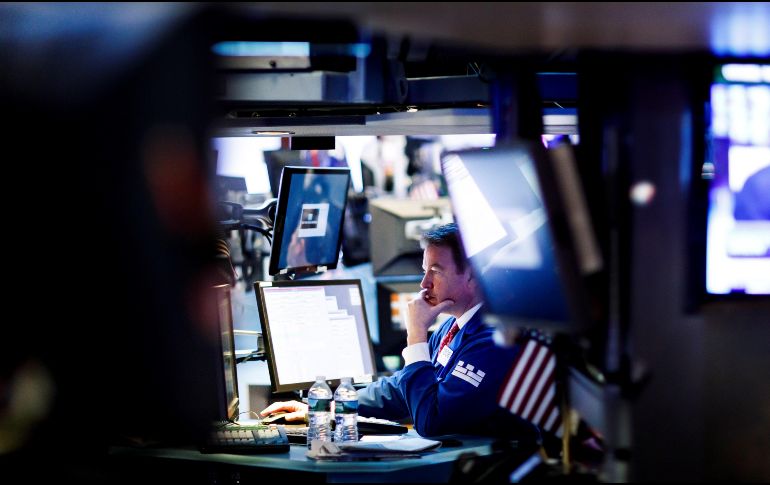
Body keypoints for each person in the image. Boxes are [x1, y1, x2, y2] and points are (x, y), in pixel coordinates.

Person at [261, 223, 540, 442]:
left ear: (471, 274)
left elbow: (433, 421)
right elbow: (398, 390)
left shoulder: (494, 337)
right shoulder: (453, 326)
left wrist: (416, 332)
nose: (424, 283)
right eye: (423, 270)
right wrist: (325, 408)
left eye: (435, 271)